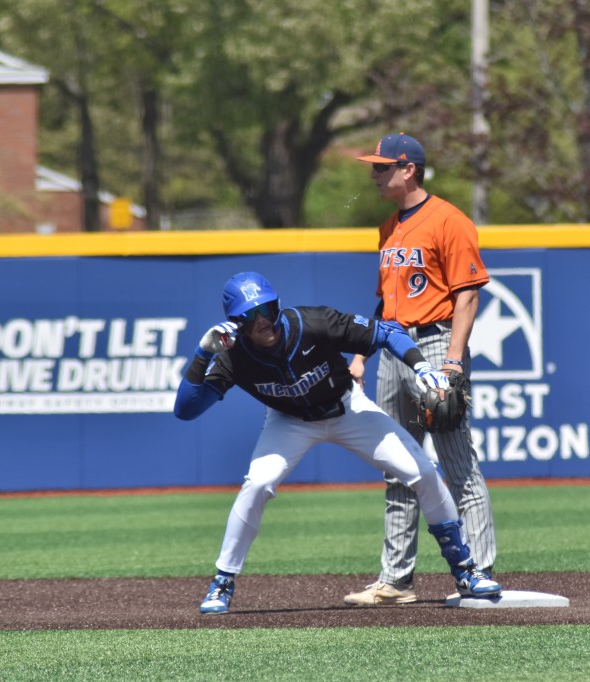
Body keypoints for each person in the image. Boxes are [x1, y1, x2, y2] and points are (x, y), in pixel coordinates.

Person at [174, 271, 501, 614]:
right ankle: (222, 583)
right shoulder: (234, 355)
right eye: (250, 315)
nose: (262, 321)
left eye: (266, 309)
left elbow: (387, 332)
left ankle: (465, 570)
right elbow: (186, 410)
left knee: (423, 472)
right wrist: (202, 354)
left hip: (347, 408)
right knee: (257, 484)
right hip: (289, 421)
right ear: (236, 322)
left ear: (277, 306)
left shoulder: (312, 323)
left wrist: (421, 367)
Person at [344, 133, 497, 606]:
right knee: (398, 467)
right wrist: (362, 354)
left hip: (434, 342)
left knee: (456, 463)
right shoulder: (388, 227)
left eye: (381, 167)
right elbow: (385, 302)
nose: (374, 174)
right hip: (393, 346)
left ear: (408, 169)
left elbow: (467, 294)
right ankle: (396, 580)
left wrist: (452, 360)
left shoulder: (449, 220)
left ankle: (478, 571)